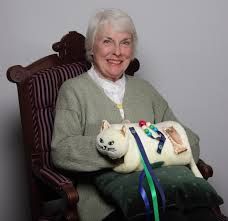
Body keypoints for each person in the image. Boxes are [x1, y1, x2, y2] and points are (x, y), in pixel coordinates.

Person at [51, 9, 218, 221]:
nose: (117, 51)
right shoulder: (73, 90)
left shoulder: (145, 90)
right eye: (107, 41)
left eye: (125, 42)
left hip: (164, 191)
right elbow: (61, 149)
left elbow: (189, 141)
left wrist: (153, 153)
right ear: (92, 48)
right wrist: (121, 149)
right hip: (106, 204)